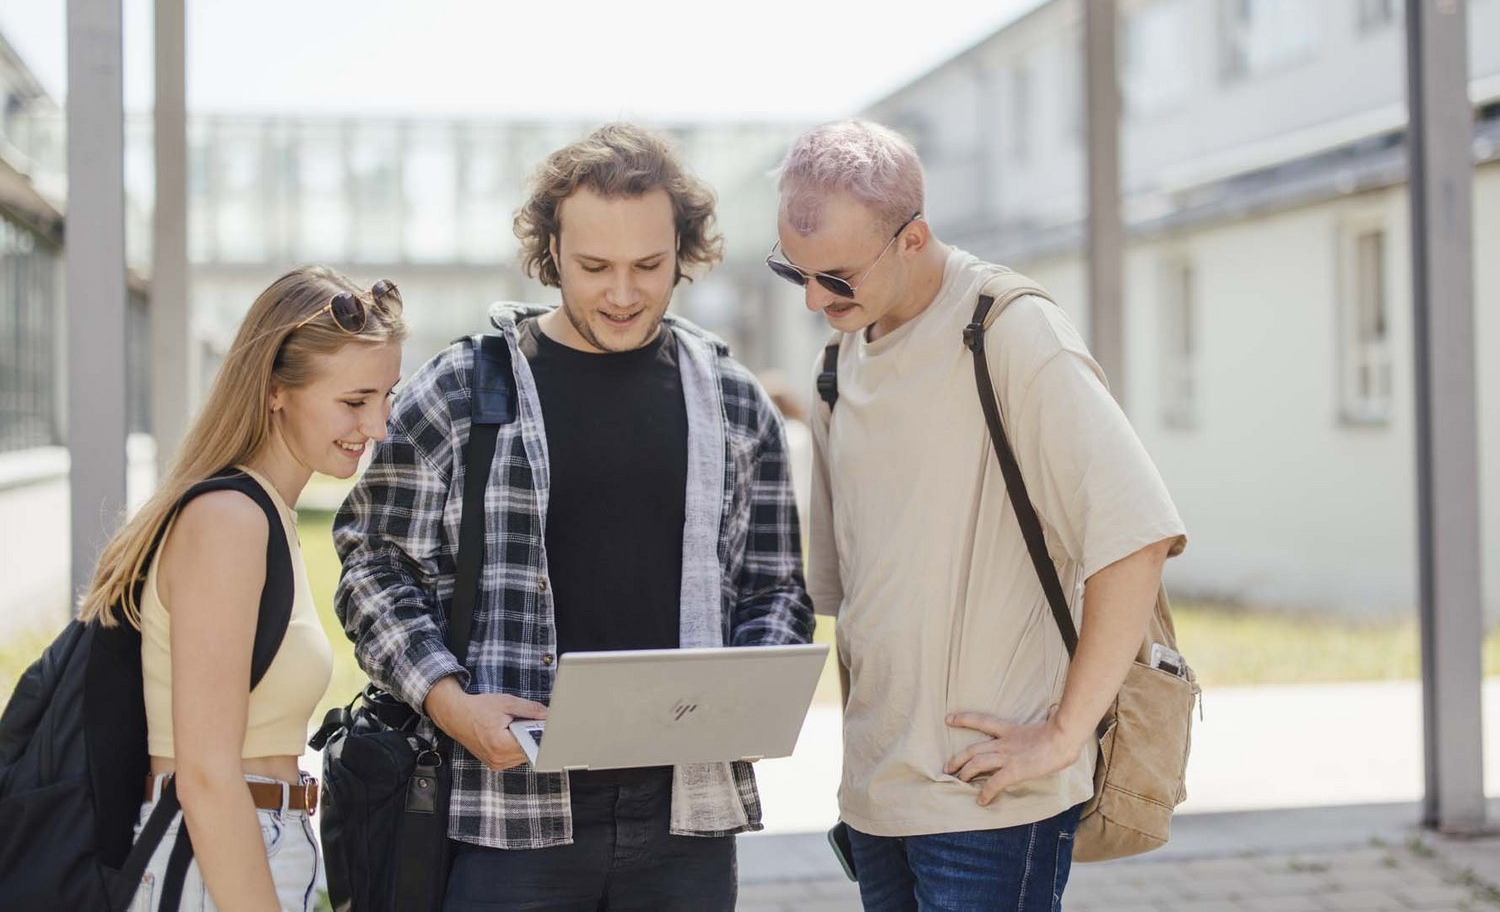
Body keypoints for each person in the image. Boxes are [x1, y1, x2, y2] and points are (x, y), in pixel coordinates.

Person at [334, 122, 814, 911]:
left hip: (685, 824)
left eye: (648, 266)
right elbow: (369, 563)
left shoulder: (733, 402)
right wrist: (450, 702)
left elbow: (775, 589)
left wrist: (750, 697)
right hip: (509, 819)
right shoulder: (462, 389)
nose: (622, 293)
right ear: (550, 251)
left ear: (683, 252)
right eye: (594, 266)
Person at [768, 120, 1187, 911]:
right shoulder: (835, 365)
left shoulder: (1008, 330)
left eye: (838, 277)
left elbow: (1136, 536)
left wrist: (1065, 733)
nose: (818, 300)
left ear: (913, 238)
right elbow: (850, 594)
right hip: (875, 795)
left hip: (990, 800)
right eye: (796, 274)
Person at [78, 266, 407, 911]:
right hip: (215, 859)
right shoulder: (229, 521)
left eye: (387, 396)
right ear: (276, 390)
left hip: (251, 848)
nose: (379, 427)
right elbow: (204, 775)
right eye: (354, 401)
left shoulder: (265, 516)